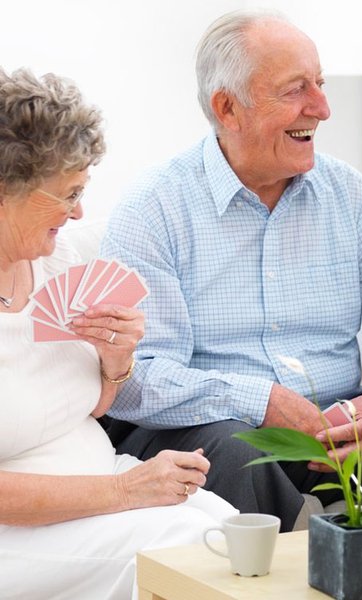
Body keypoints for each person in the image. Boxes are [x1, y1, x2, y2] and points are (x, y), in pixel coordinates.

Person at [100, 9, 362, 532]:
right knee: (226, 446)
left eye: (320, 84)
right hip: (221, 430)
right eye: (297, 90)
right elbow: (136, 376)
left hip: (340, 432)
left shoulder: (350, 196)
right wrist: (260, 402)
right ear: (228, 108)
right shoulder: (153, 209)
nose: (323, 108)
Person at [0, 67, 236, 599]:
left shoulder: (62, 259)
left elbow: (90, 405)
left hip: (98, 483)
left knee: (229, 533)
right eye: (67, 193)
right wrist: (125, 491)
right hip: (17, 533)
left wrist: (115, 360)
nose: (80, 210)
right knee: (188, 552)